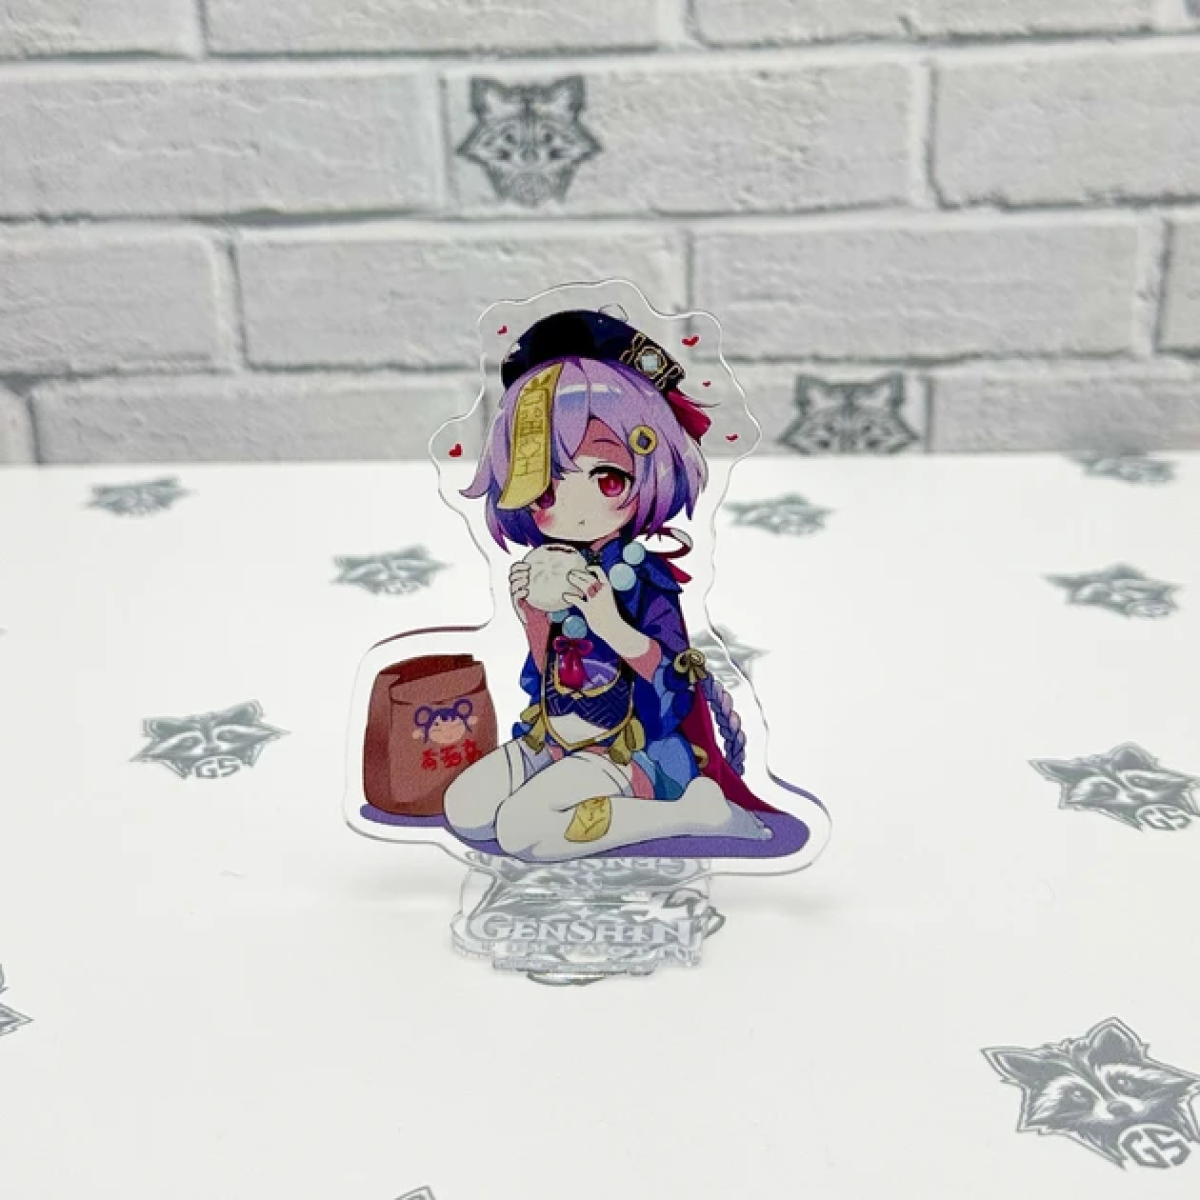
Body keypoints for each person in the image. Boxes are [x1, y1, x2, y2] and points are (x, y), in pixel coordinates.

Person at [444, 309, 789, 862]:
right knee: (464, 808)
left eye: (607, 478)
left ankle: (692, 812)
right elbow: (547, 676)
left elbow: (673, 686)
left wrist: (610, 624)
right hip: (554, 736)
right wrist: (533, 620)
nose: (575, 505)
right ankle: (579, 797)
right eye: (546, 488)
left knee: (522, 830)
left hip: (632, 748)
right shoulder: (551, 567)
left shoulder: (644, 577)